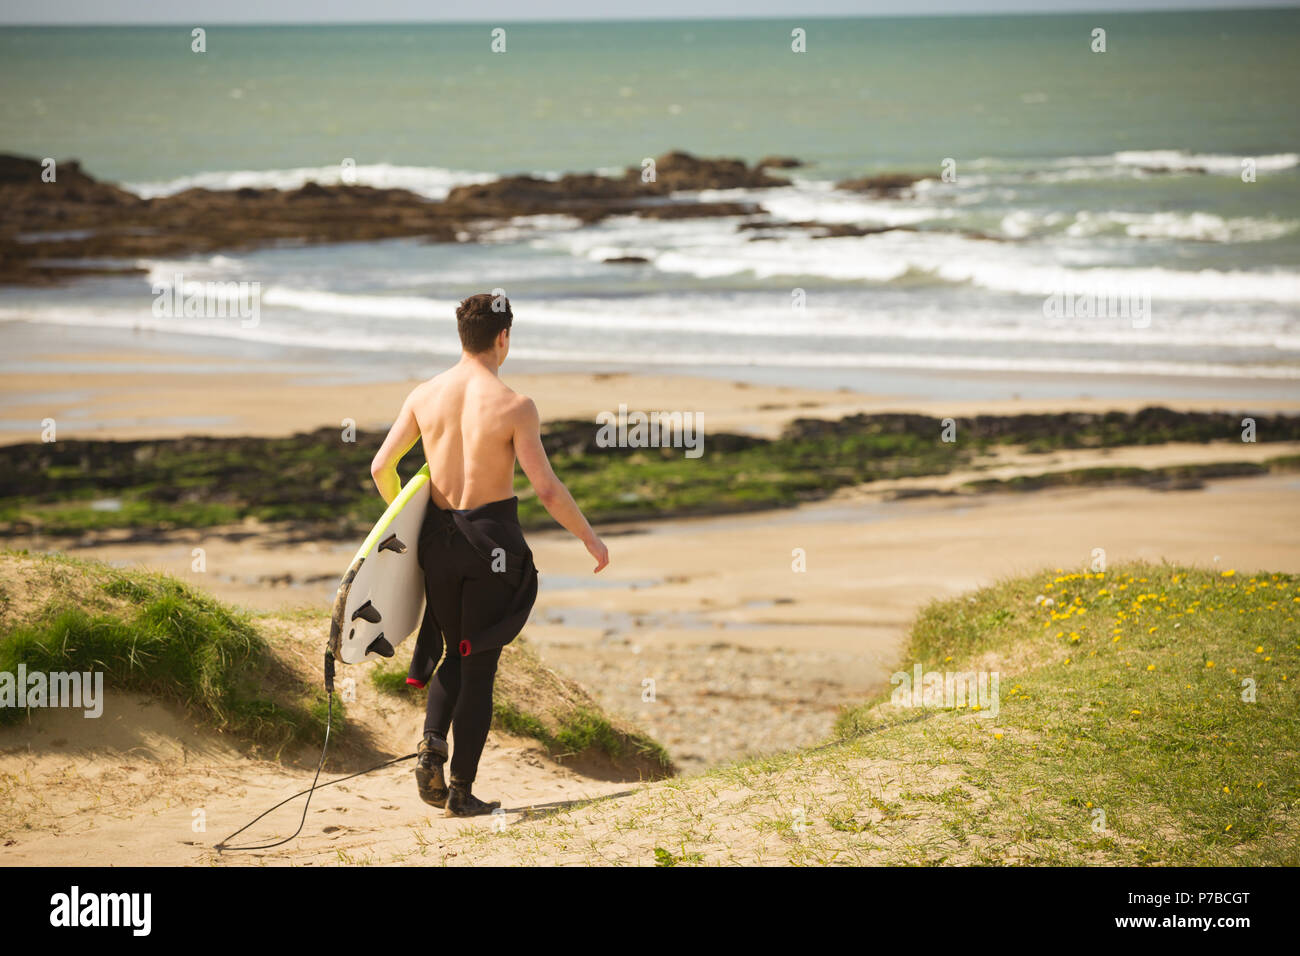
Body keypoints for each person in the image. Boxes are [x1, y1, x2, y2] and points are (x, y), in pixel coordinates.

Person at [369, 292, 609, 817]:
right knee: (478, 663)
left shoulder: (423, 395)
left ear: (462, 337)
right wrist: (589, 537)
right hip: (491, 546)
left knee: (453, 652)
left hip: (438, 543)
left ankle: (431, 742)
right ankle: (460, 790)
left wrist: (414, 528)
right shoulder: (515, 405)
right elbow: (545, 489)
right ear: (503, 338)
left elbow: (381, 469)